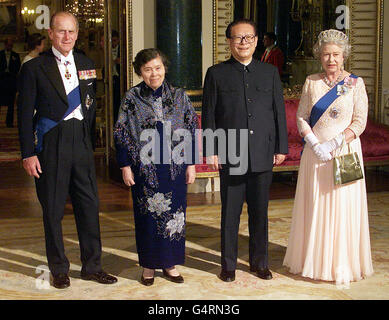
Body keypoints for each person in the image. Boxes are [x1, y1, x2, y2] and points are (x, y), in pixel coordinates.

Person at [17, 11, 117, 289]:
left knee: (89, 205)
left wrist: (89, 141)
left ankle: (92, 266)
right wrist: (28, 153)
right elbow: (25, 115)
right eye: (61, 31)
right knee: (52, 209)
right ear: (50, 33)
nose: (67, 37)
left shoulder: (86, 62)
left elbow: (90, 104)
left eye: (71, 31)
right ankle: (59, 269)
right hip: (51, 143)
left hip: (82, 144)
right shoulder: (34, 68)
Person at [283, 29, 374, 285]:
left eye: (336, 54)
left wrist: (335, 142)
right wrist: (313, 142)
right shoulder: (312, 82)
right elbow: (301, 116)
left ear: (344, 55)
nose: (331, 59)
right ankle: (313, 261)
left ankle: (341, 264)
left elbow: (360, 122)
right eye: (326, 55)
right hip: (315, 154)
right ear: (319, 56)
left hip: (344, 153)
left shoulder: (356, 83)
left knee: (342, 206)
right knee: (316, 205)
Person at [201, 19, 288, 282]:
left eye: (248, 38)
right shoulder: (216, 73)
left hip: (262, 151)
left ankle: (259, 263)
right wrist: (211, 149)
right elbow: (209, 115)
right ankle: (228, 265)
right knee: (230, 213)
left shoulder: (269, 73)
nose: (243, 43)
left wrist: (280, 146)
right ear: (229, 42)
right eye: (238, 38)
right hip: (231, 152)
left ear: (257, 40)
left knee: (260, 212)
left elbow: (278, 113)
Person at [114, 48, 198, 286]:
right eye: (148, 69)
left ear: (165, 68)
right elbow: (121, 132)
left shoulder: (179, 96)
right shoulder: (132, 97)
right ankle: (149, 265)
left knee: (175, 215)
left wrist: (191, 164)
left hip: (174, 167)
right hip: (144, 168)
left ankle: (170, 264)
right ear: (140, 72)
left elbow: (191, 129)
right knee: (147, 217)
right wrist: (125, 166)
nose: (154, 74)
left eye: (158, 68)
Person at [0, 37, 21, 127]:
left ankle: (9, 122)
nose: (10, 46)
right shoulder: (0, 54)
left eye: (11, 45)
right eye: (8, 45)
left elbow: (18, 67)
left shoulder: (15, 55)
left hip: (11, 82)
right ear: (5, 45)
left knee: (11, 104)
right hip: (1, 81)